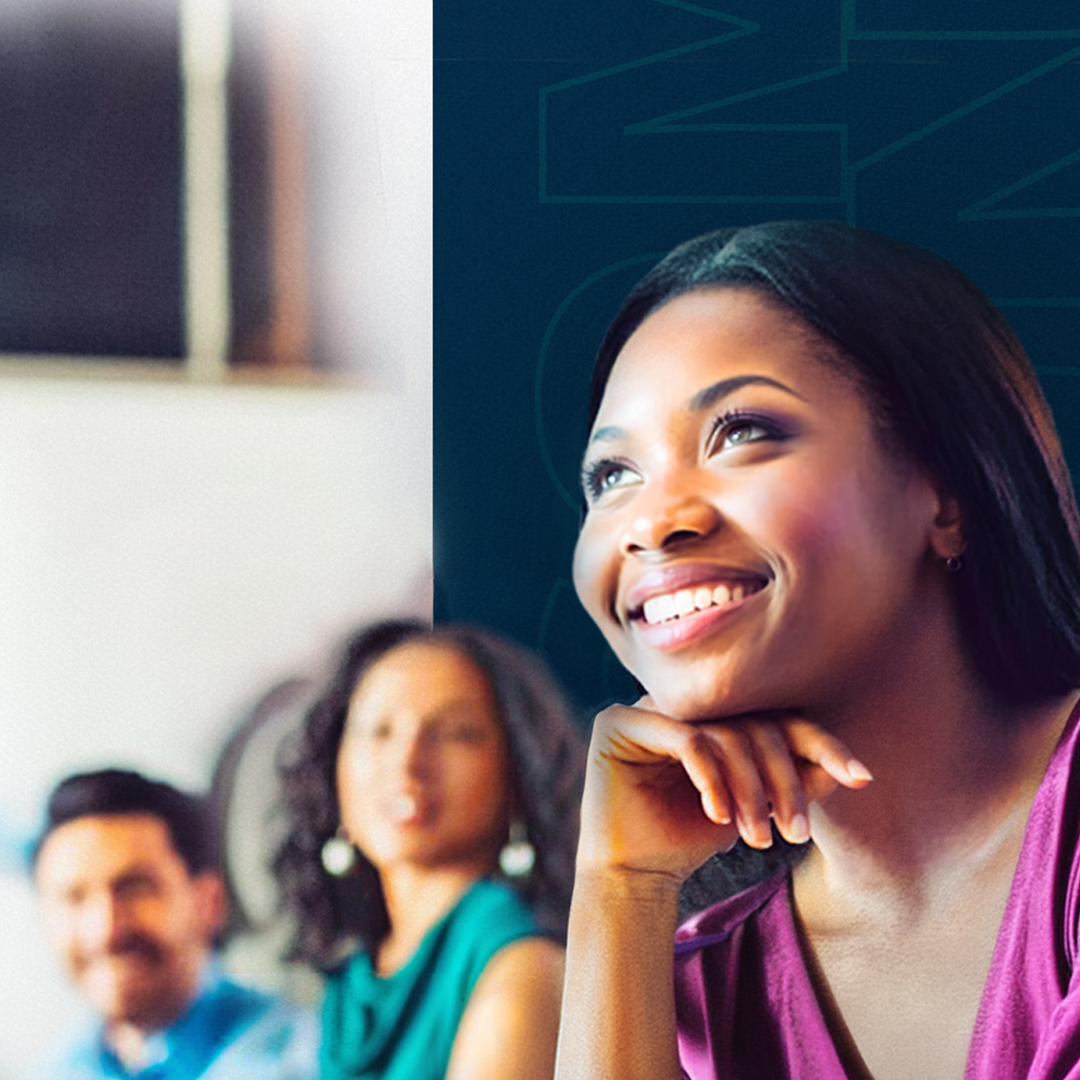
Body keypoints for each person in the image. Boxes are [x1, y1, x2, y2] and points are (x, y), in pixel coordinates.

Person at [554, 220, 1080, 1080]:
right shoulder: (698, 989)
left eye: (741, 432)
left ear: (948, 492)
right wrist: (618, 889)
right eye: (612, 477)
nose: (654, 522)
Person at [274, 619, 585, 1080]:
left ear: (518, 776)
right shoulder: (357, 973)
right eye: (379, 730)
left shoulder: (522, 970)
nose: (408, 761)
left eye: (458, 733)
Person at [31, 769, 318, 1080]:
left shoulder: (304, 1058)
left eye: (134, 888)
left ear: (208, 903)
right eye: (74, 897)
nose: (105, 930)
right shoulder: (58, 1070)